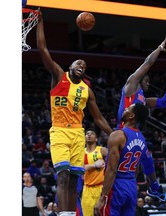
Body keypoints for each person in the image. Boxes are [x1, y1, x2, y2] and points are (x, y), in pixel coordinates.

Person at [36, 10, 113, 216]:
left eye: (84, 65)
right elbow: (42, 49)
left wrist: (113, 134)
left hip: (78, 133)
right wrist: (40, 23)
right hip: (60, 132)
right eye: (78, 63)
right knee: (62, 175)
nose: (82, 65)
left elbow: (97, 118)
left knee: (73, 179)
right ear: (70, 66)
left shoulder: (87, 90)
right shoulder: (59, 76)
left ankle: (70, 213)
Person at [116, 36, 166, 201]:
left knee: (147, 157)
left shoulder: (142, 98)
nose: (148, 83)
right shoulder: (131, 85)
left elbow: (163, 103)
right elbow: (147, 63)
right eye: (147, 80)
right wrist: (159, 48)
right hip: (122, 131)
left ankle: (154, 188)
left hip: (134, 132)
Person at [94, 103, 166, 216]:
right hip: (131, 187)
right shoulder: (142, 139)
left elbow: (111, 170)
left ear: (131, 116)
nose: (124, 109)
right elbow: (148, 166)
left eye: (128, 109)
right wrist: (154, 186)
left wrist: (102, 197)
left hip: (116, 186)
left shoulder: (117, 135)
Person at [81, 128, 108, 216]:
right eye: (87, 134)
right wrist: (94, 165)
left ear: (96, 139)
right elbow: (79, 169)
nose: (89, 135)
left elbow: (114, 162)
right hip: (87, 189)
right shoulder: (81, 152)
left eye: (92, 133)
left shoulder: (102, 150)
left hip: (101, 188)